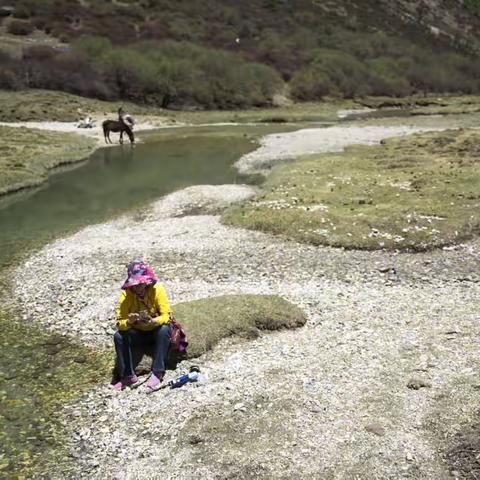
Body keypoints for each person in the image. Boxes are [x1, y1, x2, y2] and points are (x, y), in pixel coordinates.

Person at [113, 261, 172, 391]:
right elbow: (120, 322)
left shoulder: (157, 290)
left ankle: (158, 372)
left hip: (155, 330)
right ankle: (128, 376)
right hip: (138, 333)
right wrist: (129, 321)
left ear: (147, 281)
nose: (138, 286)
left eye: (141, 283)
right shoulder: (126, 294)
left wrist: (154, 321)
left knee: (165, 329)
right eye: (135, 284)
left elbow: (166, 316)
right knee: (118, 336)